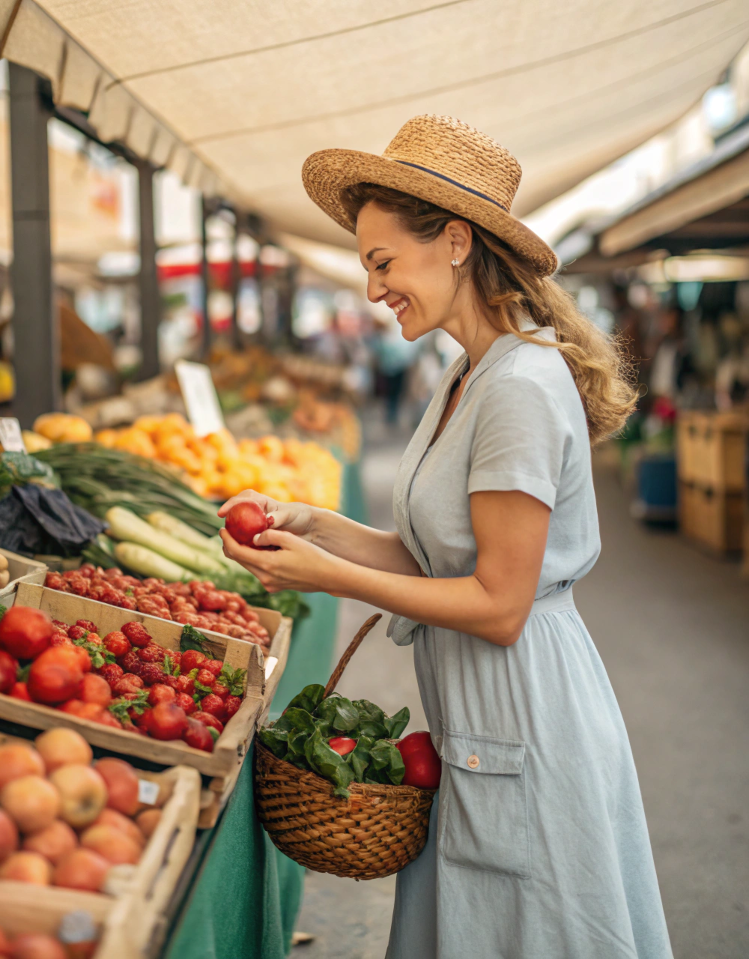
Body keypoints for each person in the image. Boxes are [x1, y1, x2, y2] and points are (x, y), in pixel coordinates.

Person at [219, 115, 673, 959]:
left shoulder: (518, 388)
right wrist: (317, 527)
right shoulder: (466, 375)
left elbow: (498, 603)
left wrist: (330, 577)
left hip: (527, 719)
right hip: (479, 726)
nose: (371, 289)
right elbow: (431, 559)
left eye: (381, 262)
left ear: (456, 241)